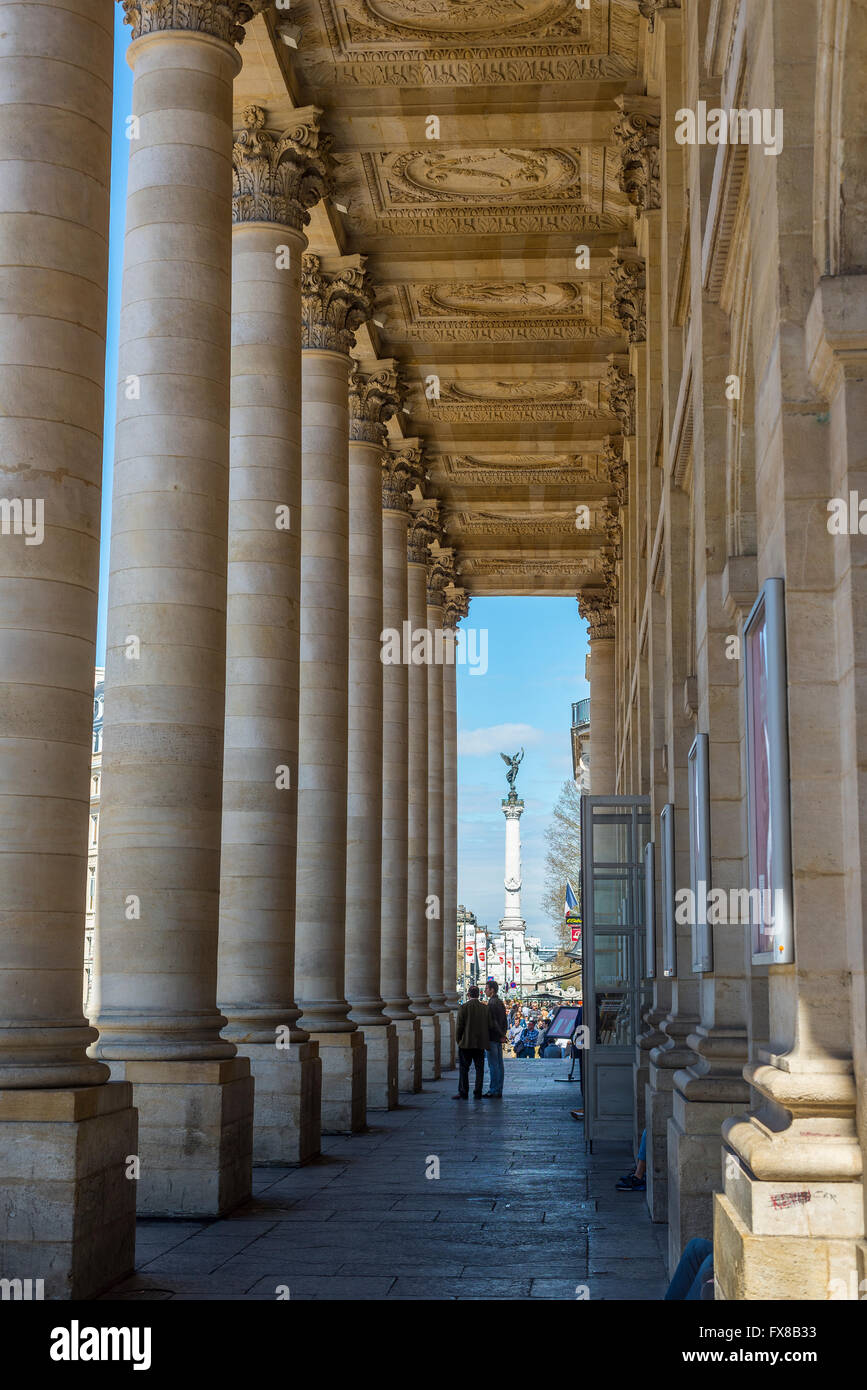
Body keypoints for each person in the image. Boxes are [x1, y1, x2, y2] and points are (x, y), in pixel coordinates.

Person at [453, 985, 490, 1099]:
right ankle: (477, 1092)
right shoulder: (485, 1008)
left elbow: (459, 1026)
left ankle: (463, 1092)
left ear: (468, 995)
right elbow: (488, 1025)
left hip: (466, 1043)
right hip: (480, 1044)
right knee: (479, 1069)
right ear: (479, 994)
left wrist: (458, 1040)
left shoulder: (464, 1007)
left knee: (464, 1069)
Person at [483, 979, 508, 1098]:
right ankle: (499, 1089)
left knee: (493, 1065)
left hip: (493, 1037)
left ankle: (493, 1090)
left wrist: (500, 1034)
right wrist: (503, 1033)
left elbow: (493, 1022)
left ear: (492, 990)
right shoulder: (500, 1002)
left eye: (486, 988)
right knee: (499, 1064)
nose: (485, 991)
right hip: (498, 1036)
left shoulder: (491, 1004)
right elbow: (504, 1020)